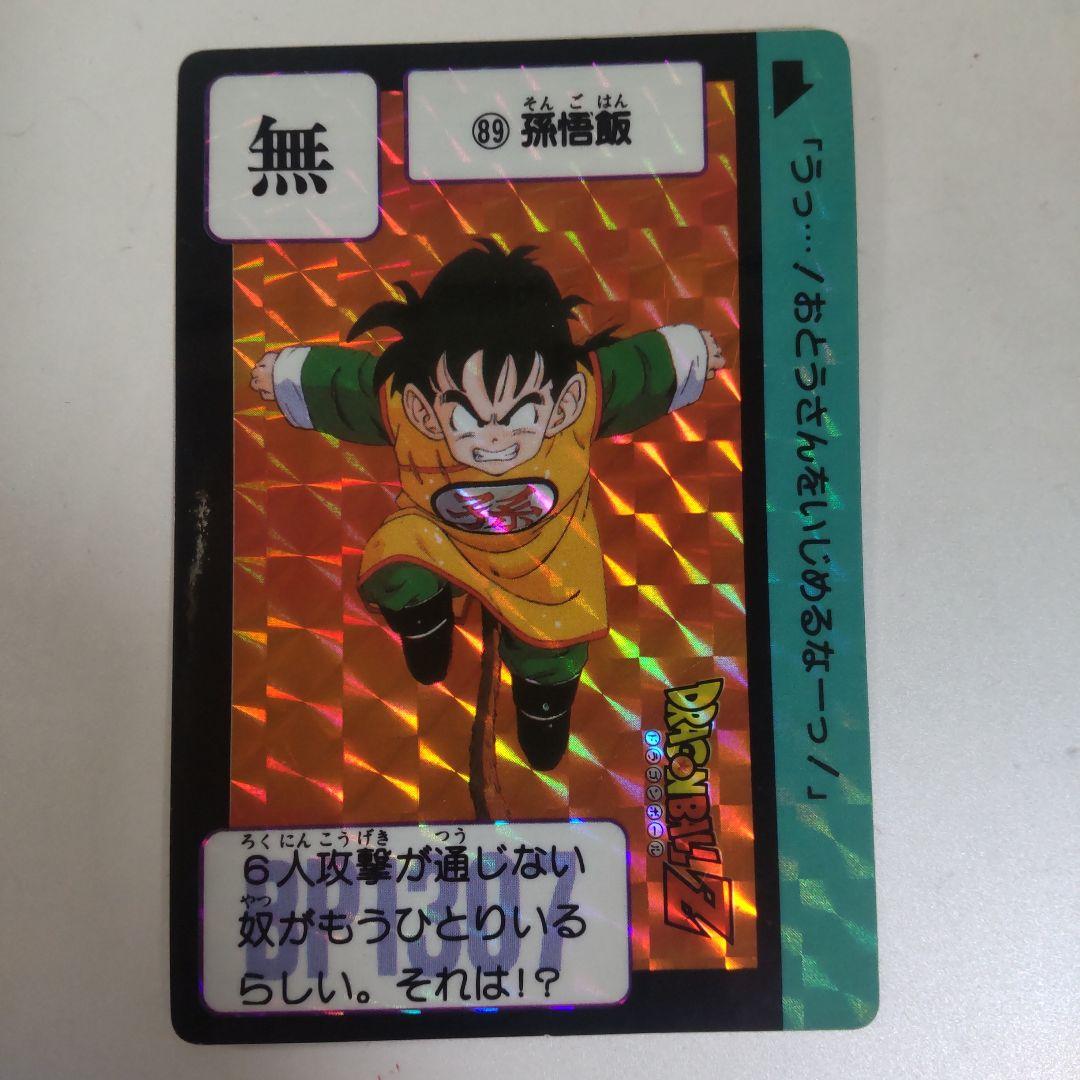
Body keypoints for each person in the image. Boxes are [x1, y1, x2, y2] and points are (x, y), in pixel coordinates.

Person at [251, 239, 723, 770]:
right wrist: (292, 376)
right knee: (395, 560)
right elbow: (348, 387)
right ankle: (425, 626)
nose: (495, 437)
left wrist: (687, 356)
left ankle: (543, 709)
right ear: (424, 409)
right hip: (440, 538)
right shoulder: (403, 402)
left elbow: (636, 370)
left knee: (552, 651)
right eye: (467, 416)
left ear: (563, 403)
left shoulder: (583, 394)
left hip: (546, 559)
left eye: (520, 413)